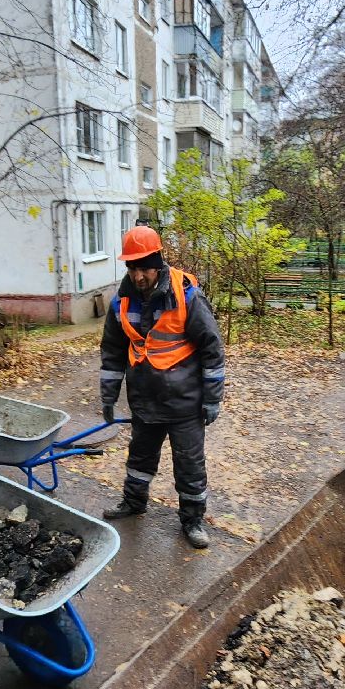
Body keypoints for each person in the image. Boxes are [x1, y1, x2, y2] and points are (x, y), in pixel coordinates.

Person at [99, 226, 225, 549]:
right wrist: (109, 396)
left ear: (158, 263)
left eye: (145, 267)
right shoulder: (121, 302)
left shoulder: (186, 296)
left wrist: (213, 398)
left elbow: (212, 348)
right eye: (133, 268)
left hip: (185, 403)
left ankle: (193, 520)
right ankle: (133, 502)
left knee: (189, 464)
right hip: (145, 400)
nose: (139, 275)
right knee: (139, 458)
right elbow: (112, 352)